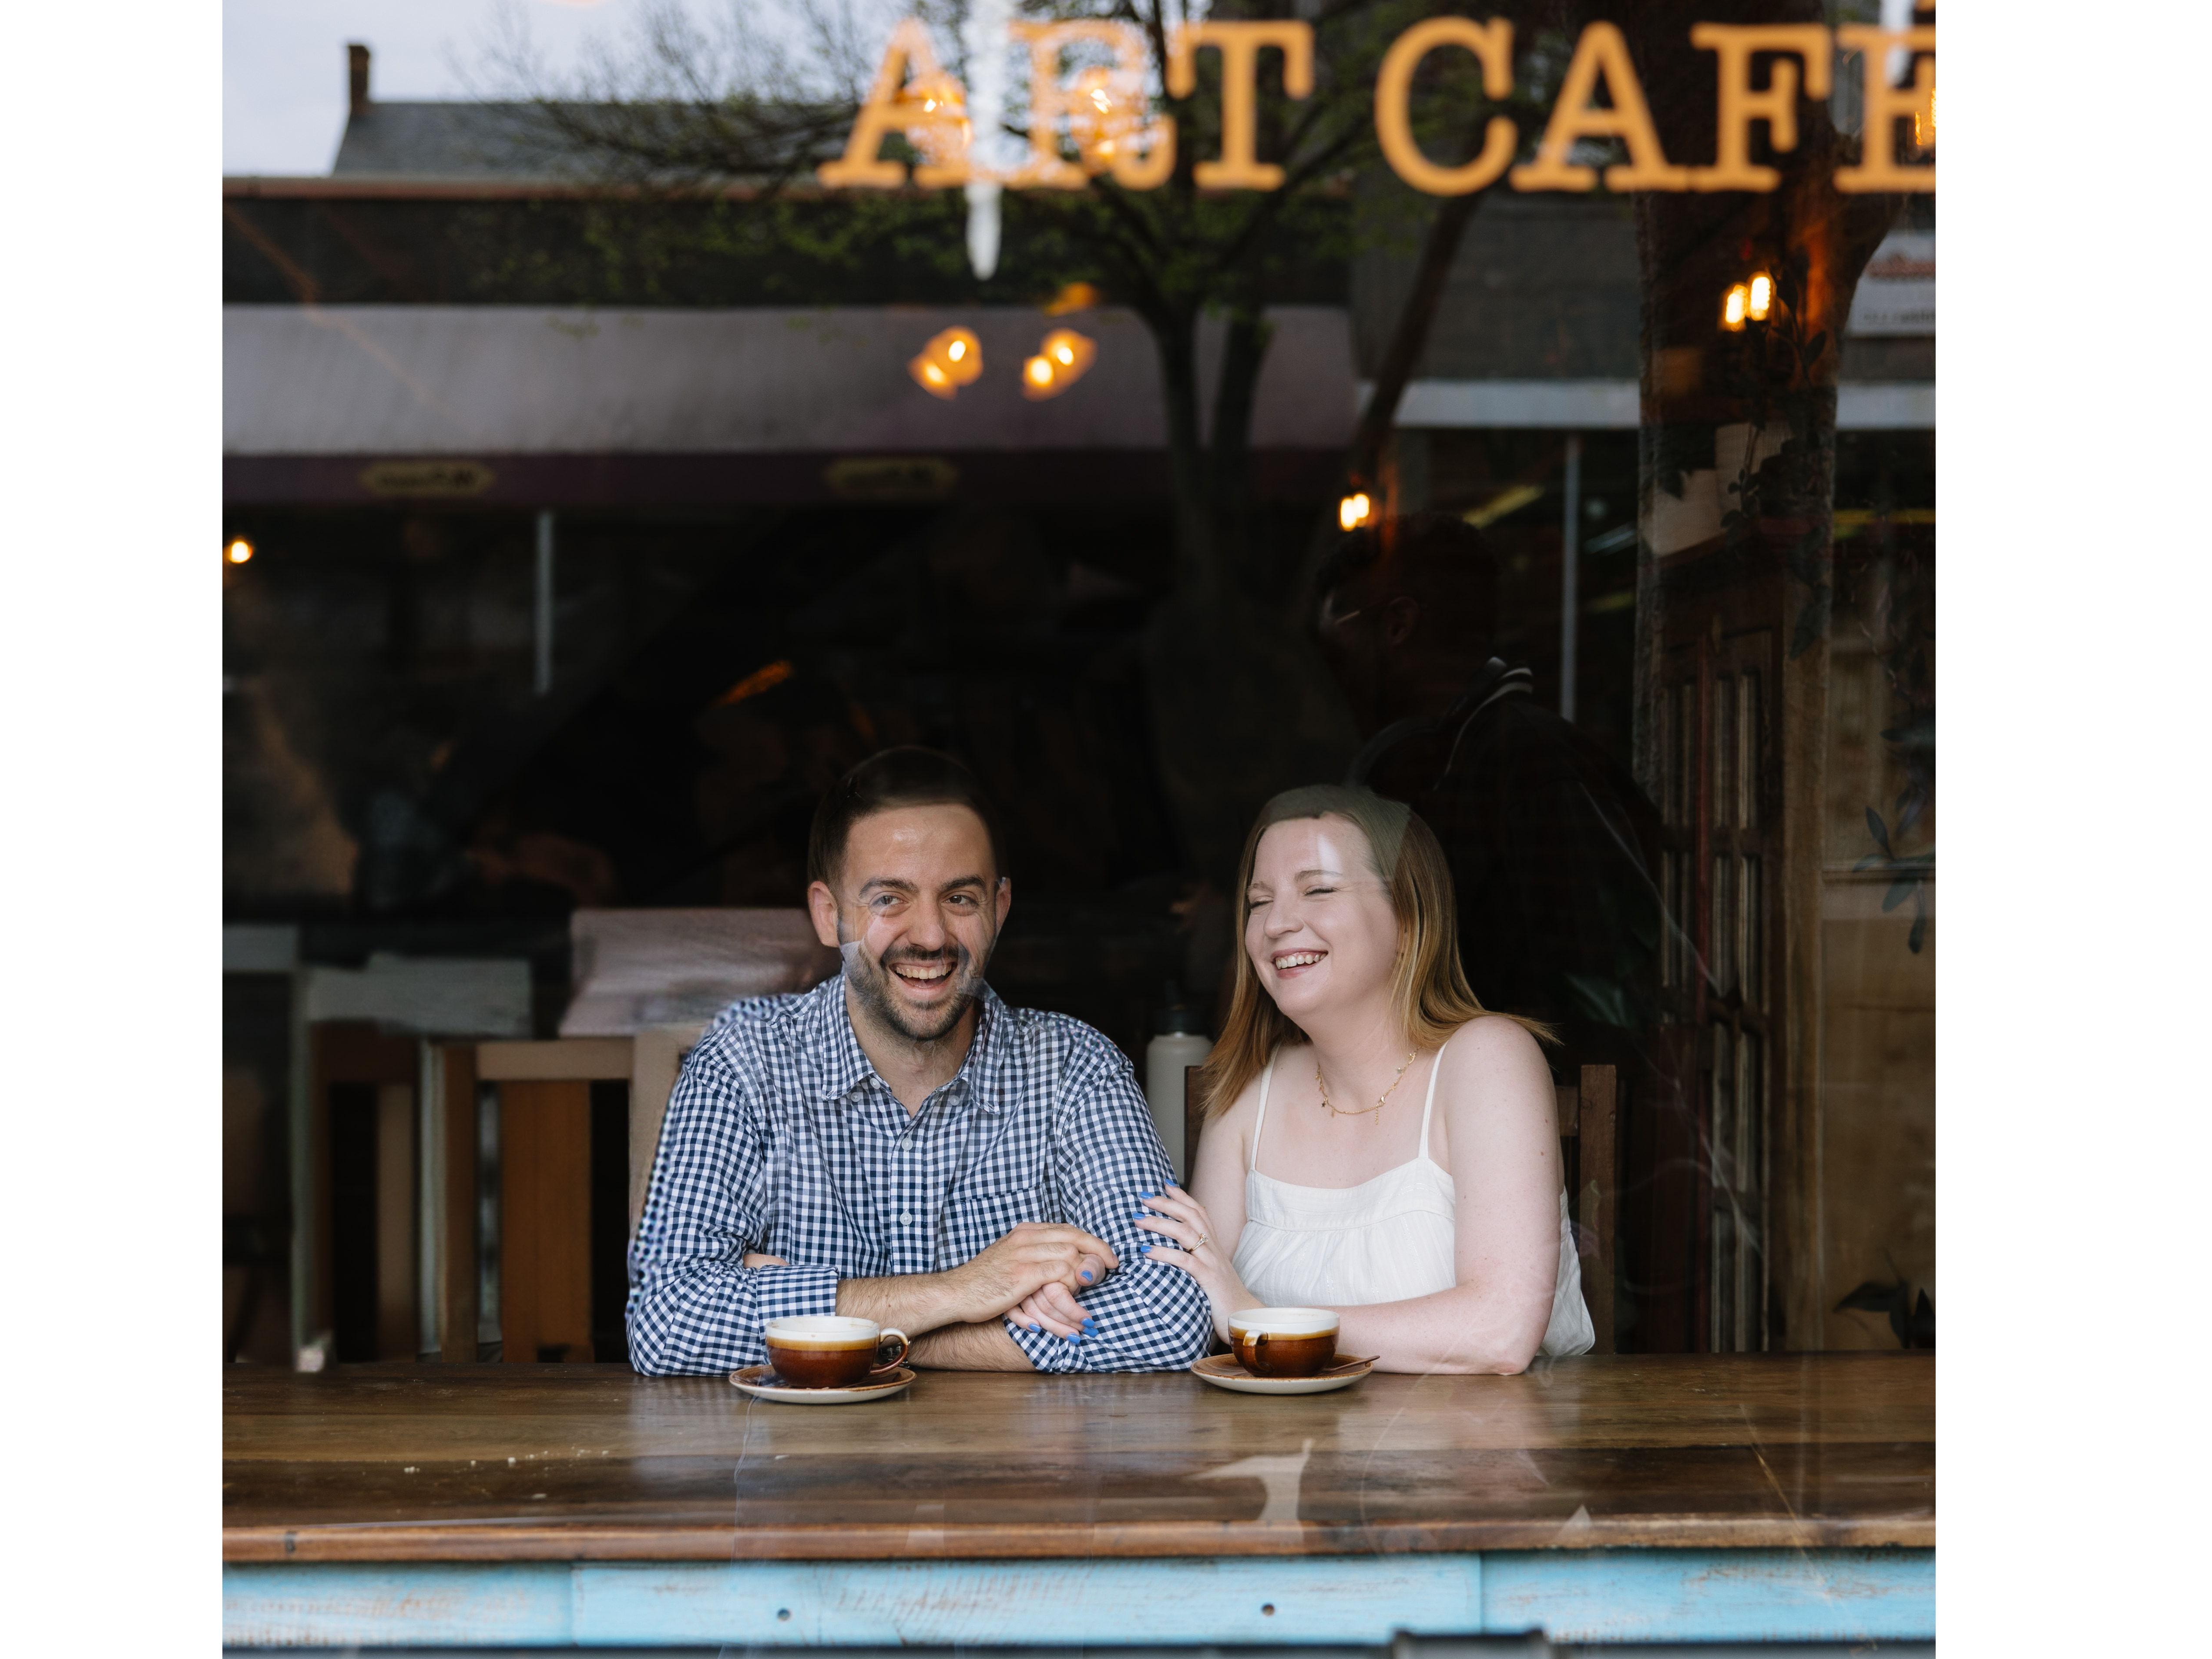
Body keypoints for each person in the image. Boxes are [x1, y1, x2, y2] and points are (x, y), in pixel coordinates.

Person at [624, 745, 1207, 1377]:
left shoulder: (1075, 1068)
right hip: (801, 1468)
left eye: (959, 897)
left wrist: (872, 1331)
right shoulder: (745, 1061)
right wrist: (961, 1291)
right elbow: (667, 1321)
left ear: (999, 909)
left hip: (1015, 1472)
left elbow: (1170, 1318)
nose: (929, 935)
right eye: (888, 899)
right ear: (829, 914)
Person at [1077, 782, 1594, 1374]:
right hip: (1277, 1453)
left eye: (1317, 889)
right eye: (1258, 901)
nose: (1276, 924)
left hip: (1476, 1453)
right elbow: (1190, 1307)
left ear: (1407, 917)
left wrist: (1261, 1322)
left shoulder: (1487, 1058)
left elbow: (1498, 1332)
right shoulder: (1249, 1090)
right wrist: (1070, 1279)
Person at [1314, 512, 1662, 1062]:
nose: (1329, 675)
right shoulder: (1452, 762)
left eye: (1333, 645)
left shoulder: (1526, 765)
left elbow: (1597, 999)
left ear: (1397, 625)